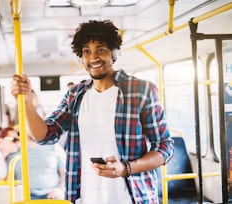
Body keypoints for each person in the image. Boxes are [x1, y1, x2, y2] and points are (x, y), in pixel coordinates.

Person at [11, 20, 174, 204]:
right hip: (85, 198)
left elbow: (165, 147)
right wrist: (26, 102)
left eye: (101, 49)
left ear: (114, 53)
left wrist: (125, 168)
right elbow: (45, 135)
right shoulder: (75, 95)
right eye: (87, 51)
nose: (93, 57)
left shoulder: (141, 91)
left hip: (132, 198)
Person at [7, 135, 66, 200]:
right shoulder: (13, 150)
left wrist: (59, 189)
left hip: (52, 194)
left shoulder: (53, 146)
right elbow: (8, 179)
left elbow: (64, 173)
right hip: (23, 196)